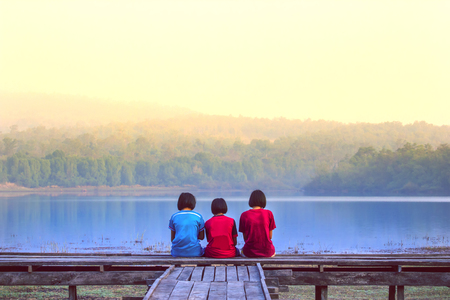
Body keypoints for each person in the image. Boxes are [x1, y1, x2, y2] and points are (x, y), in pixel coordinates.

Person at [239, 190, 276, 257]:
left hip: (249, 252)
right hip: (268, 252)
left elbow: (245, 238)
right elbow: (270, 237)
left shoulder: (244, 215)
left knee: (241, 251)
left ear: (251, 200)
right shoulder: (269, 213)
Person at [168, 192, 205, 257]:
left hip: (177, 253)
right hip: (195, 252)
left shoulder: (174, 216)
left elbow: (172, 239)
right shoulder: (198, 216)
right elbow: (201, 237)